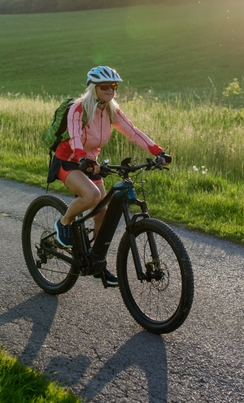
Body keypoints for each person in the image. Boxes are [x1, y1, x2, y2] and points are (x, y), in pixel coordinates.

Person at [50, 65, 171, 287]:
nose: (110, 90)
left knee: (102, 214)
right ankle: (64, 221)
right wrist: (81, 159)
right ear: (93, 88)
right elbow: (76, 136)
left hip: (91, 164)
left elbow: (133, 131)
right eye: (105, 86)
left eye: (113, 86)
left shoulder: (111, 110)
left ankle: (97, 265)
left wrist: (158, 151)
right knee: (92, 195)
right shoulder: (78, 109)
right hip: (68, 160)